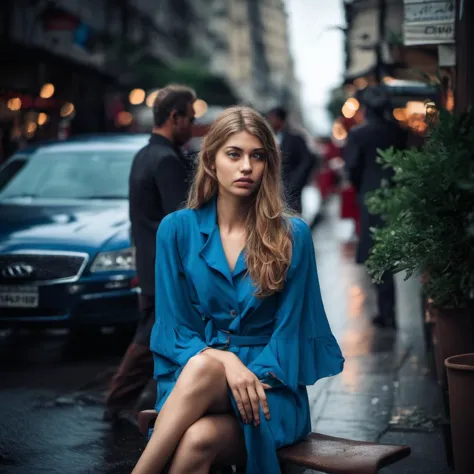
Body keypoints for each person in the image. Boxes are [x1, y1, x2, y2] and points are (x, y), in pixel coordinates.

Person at [132, 106, 344, 474]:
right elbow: (174, 329)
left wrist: (241, 370)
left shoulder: (293, 236)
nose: (246, 166)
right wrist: (226, 361)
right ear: (211, 163)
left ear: (268, 166)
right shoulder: (176, 230)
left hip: (270, 390)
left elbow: (291, 335)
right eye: (234, 154)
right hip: (196, 384)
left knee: (199, 434)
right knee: (201, 396)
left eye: (257, 156)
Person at [104, 84, 197, 423]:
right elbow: (180, 222)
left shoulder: (145, 154)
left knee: (155, 332)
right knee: (150, 334)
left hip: (150, 263)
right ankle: (119, 402)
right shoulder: (167, 160)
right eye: (190, 118)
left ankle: (138, 402)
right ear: (175, 117)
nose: (192, 125)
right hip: (165, 269)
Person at [344, 85, 408, 329]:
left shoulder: (359, 134)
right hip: (396, 196)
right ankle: (390, 309)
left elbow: (353, 168)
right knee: (392, 252)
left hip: (371, 198)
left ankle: (386, 311)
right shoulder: (397, 132)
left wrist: (363, 188)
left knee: (377, 253)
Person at [266, 106, 316, 214]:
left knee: (291, 218)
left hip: (290, 187)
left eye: (272, 118)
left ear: (279, 119)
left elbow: (307, 161)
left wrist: (296, 182)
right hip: (271, 187)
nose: (269, 121)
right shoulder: (267, 138)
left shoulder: (295, 138)